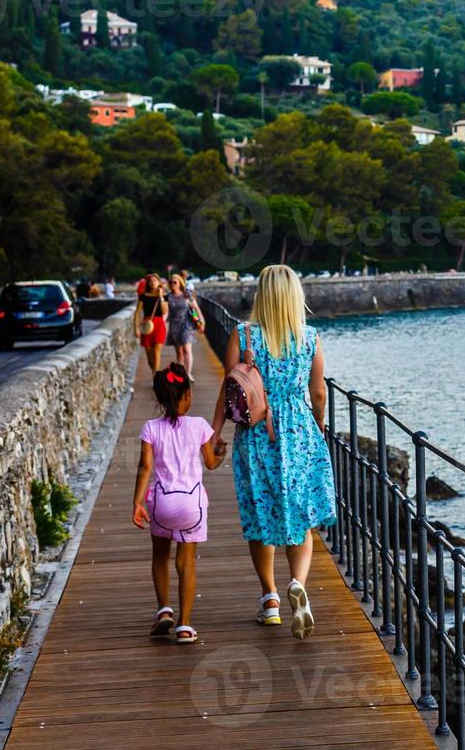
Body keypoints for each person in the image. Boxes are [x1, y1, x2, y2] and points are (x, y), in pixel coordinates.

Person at [211, 264, 334, 640]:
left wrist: (215, 433)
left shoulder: (244, 334)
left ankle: (270, 600)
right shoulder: (309, 337)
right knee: (302, 514)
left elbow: (229, 388)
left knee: (260, 513)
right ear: (295, 296)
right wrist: (319, 423)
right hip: (299, 431)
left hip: (256, 431)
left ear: (262, 295)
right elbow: (318, 393)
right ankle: (298, 582)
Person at [131, 363, 227, 644]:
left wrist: (137, 502)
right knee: (186, 563)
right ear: (186, 395)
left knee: (160, 556)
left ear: (160, 399)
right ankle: (185, 626)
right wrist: (220, 452)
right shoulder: (199, 426)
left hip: (161, 504)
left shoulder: (150, 428)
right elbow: (210, 463)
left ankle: (163, 611)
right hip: (192, 506)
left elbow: (145, 466)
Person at [165, 274, 204, 375]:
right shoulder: (168, 297)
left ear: (180, 283)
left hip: (187, 325)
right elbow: (165, 312)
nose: (172, 284)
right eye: (171, 282)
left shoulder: (187, 295)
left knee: (187, 349)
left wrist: (201, 322)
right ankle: (181, 373)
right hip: (174, 325)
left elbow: (196, 309)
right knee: (179, 352)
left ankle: (188, 374)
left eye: (175, 282)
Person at [135, 274, 168, 373]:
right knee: (149, 356)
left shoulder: (164, 296)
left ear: (159, 283)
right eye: (150, 281)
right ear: (148, 283)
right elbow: (137, 312)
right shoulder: (143, 296)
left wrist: (161, 296)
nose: (153, 282)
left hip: (159, 325)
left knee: (157, 353)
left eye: (155, 280)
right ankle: (155, 372)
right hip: (146, 325)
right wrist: (136, 327)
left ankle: (156, 378)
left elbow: (164, 311)